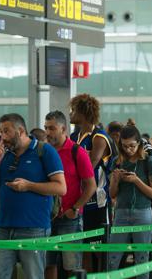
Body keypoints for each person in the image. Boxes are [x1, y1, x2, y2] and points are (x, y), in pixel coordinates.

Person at [0, 113, 66, 279]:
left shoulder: (44, 151)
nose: (2, 137)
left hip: (34, 229)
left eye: (6, 131)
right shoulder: (4, 155)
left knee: (33, 276)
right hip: (3, 228)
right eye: (0, 132)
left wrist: (28, 186)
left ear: (20, 131)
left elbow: (61, 188)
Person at [44, 111, 97, 279]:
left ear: (63, 129)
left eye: (52, 128)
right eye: (45, 128)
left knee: (72, 266)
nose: (48, 132)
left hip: (70, 218)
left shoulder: (77, 152)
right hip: (46, 217)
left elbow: (91, 185)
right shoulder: (43, 151)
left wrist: (75, 208)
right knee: (47, 263)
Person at [70, 94, 115, 272]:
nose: (71, 113)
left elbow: (90, 164)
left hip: (98, 201)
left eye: (74, 110)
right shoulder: (74, 136)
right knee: (84, 248)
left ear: (83, 112)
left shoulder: (99, 137)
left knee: (99, 248)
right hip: (78, 198)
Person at [108, 125, 152, 277]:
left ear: (139, 144)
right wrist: (116, 180)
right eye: (124, 146)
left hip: (143, 212)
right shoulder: (117, 161)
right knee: (113, 257)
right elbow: (112, 194)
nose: (128, 149)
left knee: (142, 259)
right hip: (121, 212)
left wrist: (136, 180)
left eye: (132, 146)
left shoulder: (148, 161)